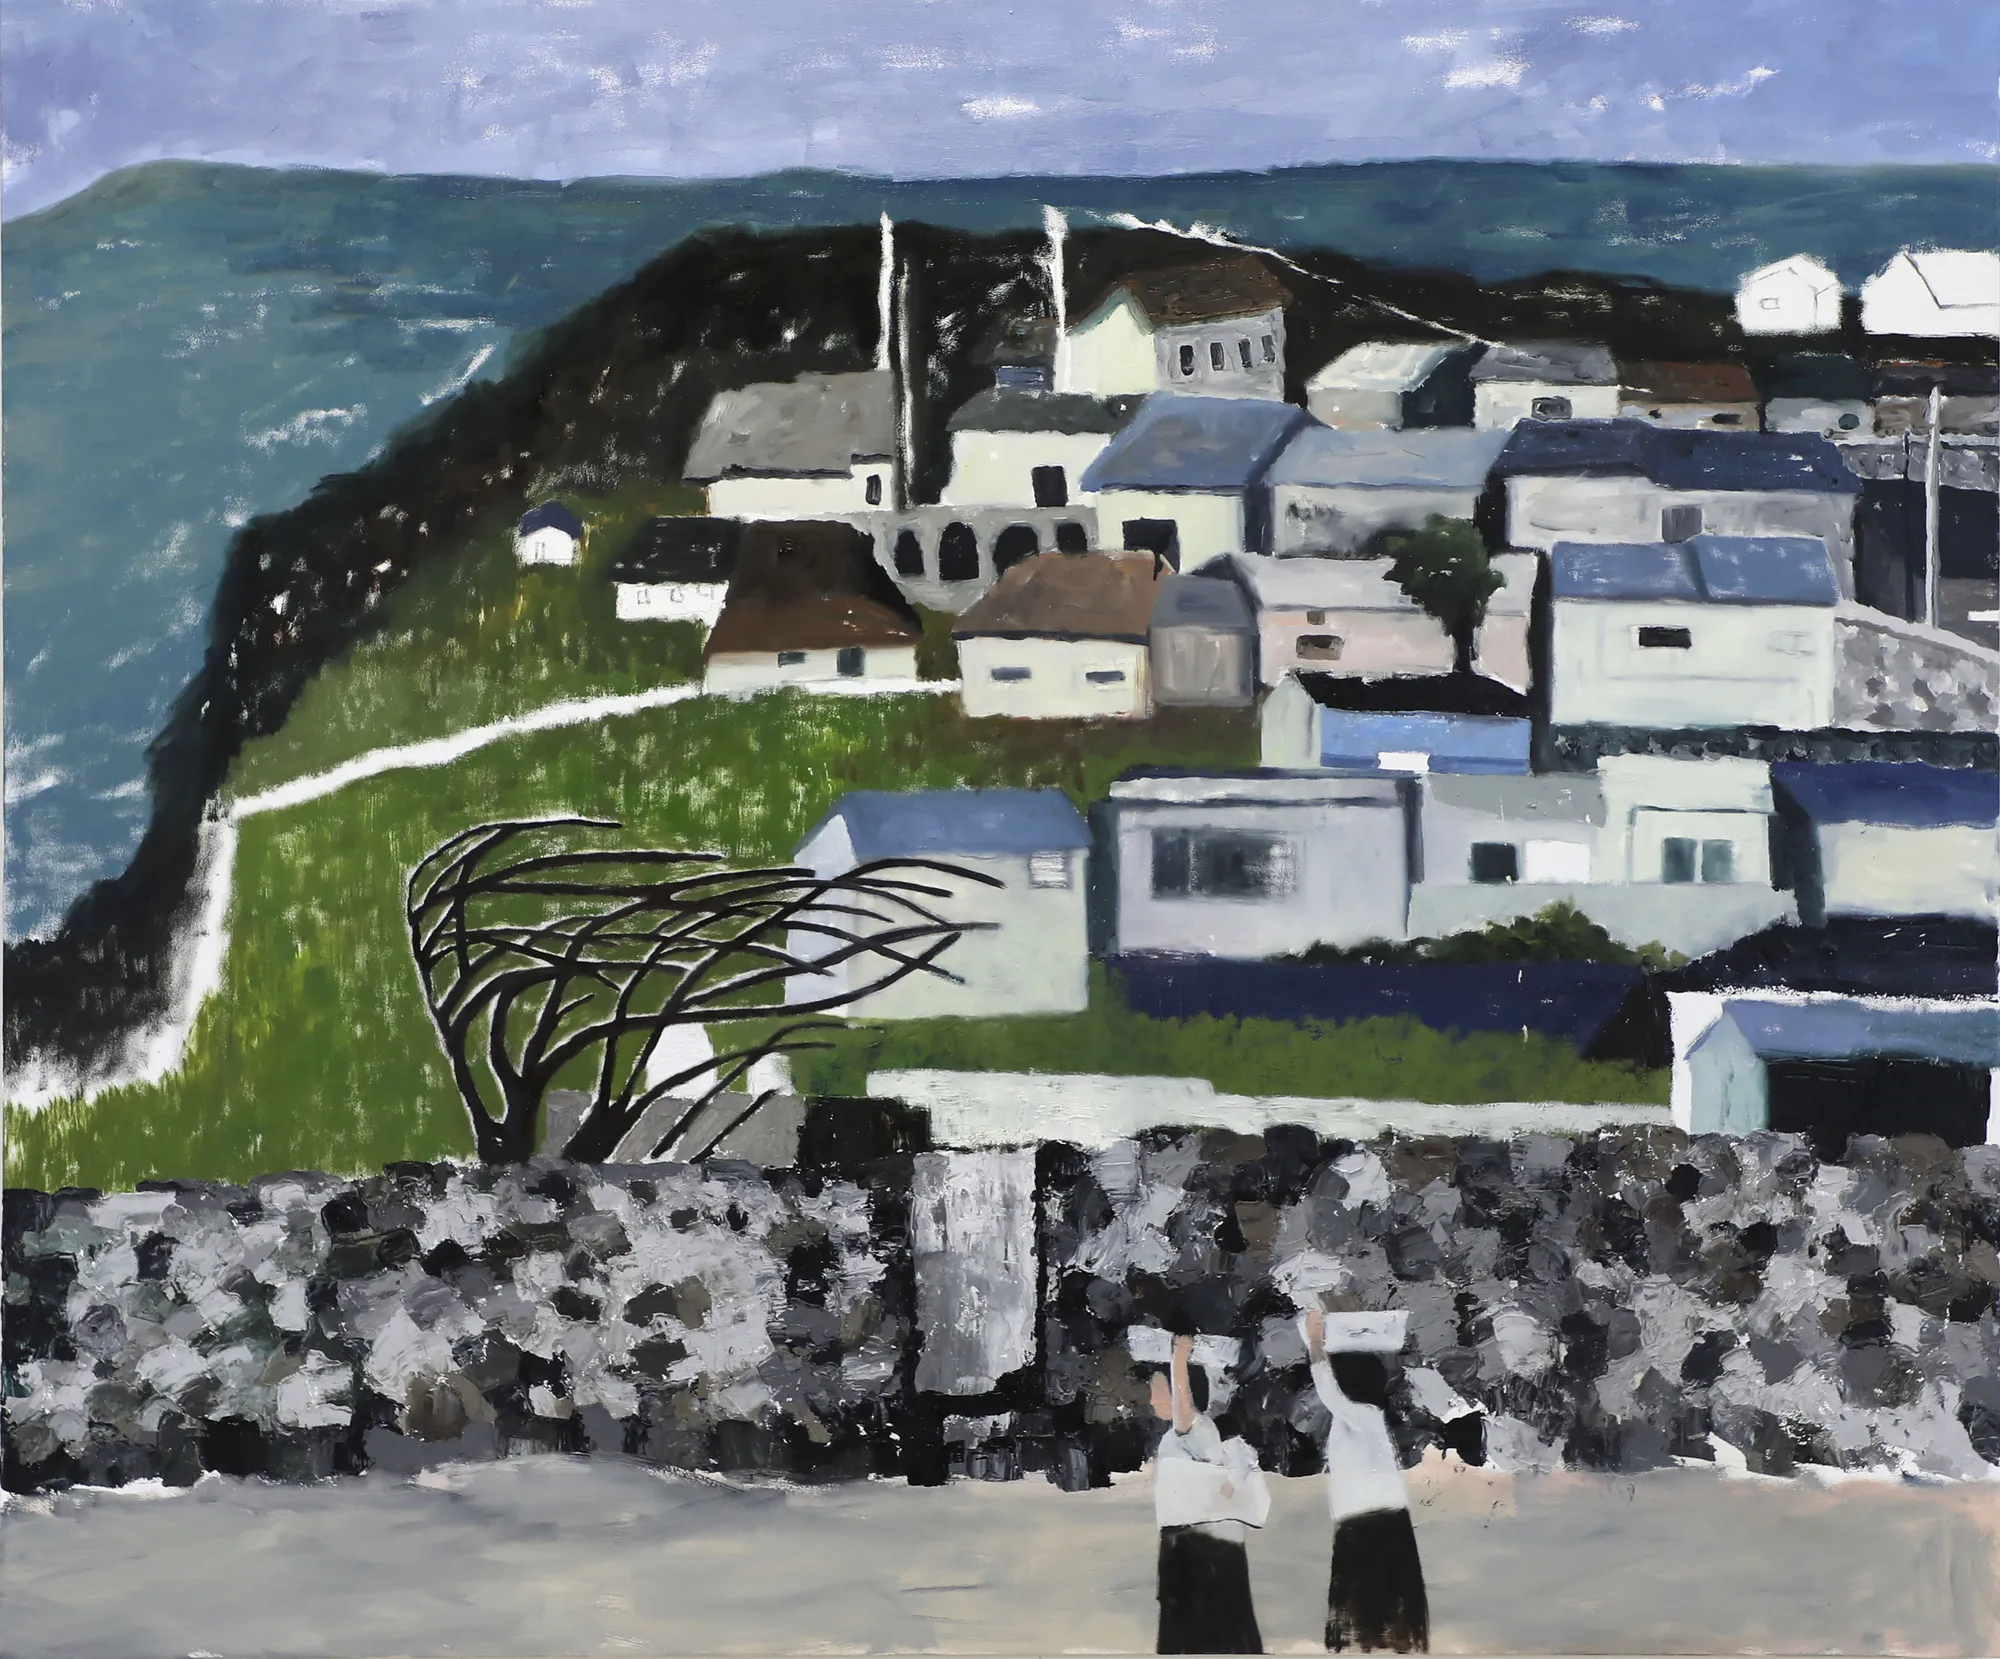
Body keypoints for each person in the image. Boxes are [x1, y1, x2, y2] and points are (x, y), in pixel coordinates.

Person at [1305, 1309, 1429, 1654]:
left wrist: (1315, 1343)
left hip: (1366, 1517)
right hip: (1376, 1514)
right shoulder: (1365, 1418)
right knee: (1383, 1597)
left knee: (1365, 1599)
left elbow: (1327, 1390)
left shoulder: (1360, 1415)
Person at [1149, 1333, 1264, 1655]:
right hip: (1200, 1537)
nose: (1152, 1399)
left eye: (1159, 1390)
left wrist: (1179, 1355)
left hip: (1198, 1541)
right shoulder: (1193, 1431)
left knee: (1198, 1628)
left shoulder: (1194, 1427)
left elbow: (1183, 1401)